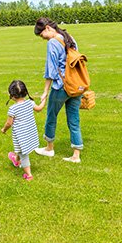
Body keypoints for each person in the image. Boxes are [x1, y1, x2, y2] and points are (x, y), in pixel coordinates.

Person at [34, 17, 83, 163]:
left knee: (51, 116)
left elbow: (50, 70)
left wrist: (45, 92)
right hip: (75, 85)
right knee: (74, 120)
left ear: (48, 28)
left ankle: (49, 148)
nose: (43, 39)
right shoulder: (70, 37)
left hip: (61, 87)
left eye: (42, 35)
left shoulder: (53, 42)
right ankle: (76, 155)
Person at [1, 79, 46, 181]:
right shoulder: (30, 103)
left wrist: (4, 129)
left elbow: (9, 123)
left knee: (23, 154)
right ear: (25, 92)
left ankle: (29, 175)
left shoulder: (13, 109)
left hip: (21, 136)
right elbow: (39, 108)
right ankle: (16, 160)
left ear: (12, 95)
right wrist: (44, 99)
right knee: (21, 149)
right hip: (30, 133)